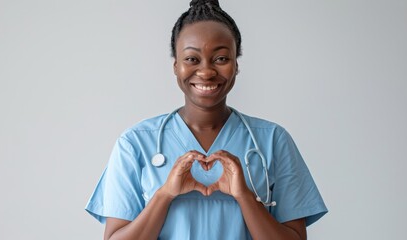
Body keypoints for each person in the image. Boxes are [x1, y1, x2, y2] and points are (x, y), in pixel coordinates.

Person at [85, 0, 328, 239]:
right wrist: (165, 194)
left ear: (236, 65)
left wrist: (244, 196)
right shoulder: (135, 143)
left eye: (221, 58)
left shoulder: (273, 140)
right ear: (176, 66)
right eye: (192, 59)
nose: (206, 71)